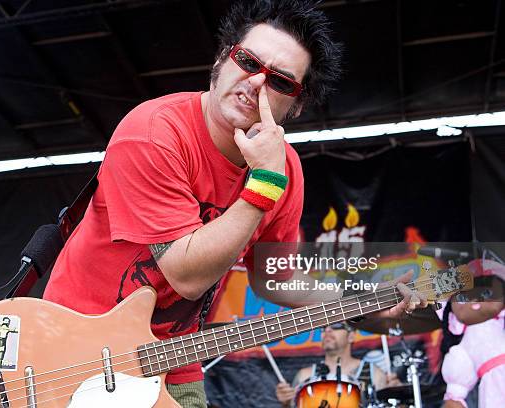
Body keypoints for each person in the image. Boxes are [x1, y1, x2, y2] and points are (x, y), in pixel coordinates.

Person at [43, 1, 426, 406]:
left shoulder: (286, 170)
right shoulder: (155, 131)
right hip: (73, 351)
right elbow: (186, 276)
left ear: (295, 106)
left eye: (280, 82)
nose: (256, 84)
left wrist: (361, 304)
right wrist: (262, 184)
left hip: (170, 359)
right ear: (220, 60)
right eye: (247, 61)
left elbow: (275, 279)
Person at [275, 321, 399, 407]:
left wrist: (397, 396)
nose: (327, 330)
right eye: (323, 328)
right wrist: (285, 403)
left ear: (351, 336)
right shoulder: (304, 376)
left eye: (335, 325)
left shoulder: (374, 374)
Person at [440, 259, 505, 408]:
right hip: (494, 392)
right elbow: (456, 387)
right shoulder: (464, 346)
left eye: (486, 292)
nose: (476, 299)